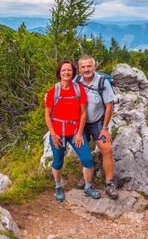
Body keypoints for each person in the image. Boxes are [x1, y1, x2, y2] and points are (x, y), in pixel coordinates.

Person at [45, 60, 101, 202]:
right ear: (59, 73)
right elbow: (47, 115)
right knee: (58, 161)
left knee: (87, 158)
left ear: (73, 73)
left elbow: (83, 113)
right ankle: (58, 186)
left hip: (76, 131)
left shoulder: (78, 89)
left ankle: (88, 186)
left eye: (69, 70)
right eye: (63, 70)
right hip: (58, 132)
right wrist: (53, 134)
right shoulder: (53, 91)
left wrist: (79, 133)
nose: (66, 73)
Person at [74, 55, 119, 199]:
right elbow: (61, 92)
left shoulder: (102, 82)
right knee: (83, 150)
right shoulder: (76, 81)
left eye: (89, 66)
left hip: (97, 123)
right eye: (83, 67)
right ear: (79, 69)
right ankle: (86, 177)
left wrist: (105, 128)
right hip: (80, 123)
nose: (86, 69)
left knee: (107, 149)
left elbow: (109, 106)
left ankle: (109, 183)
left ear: (94, 67)